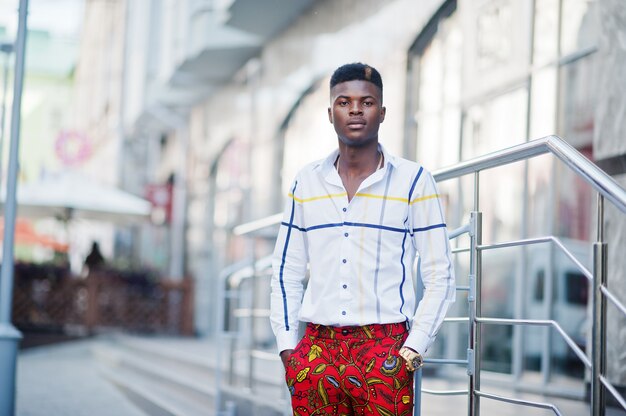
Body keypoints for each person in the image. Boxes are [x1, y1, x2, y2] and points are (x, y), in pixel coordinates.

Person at [270, 62, 456, 415]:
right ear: (330, 113)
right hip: (316, 352)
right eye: (344, 102)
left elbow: (440, 274)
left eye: (366, 102)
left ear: (382, 112)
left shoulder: (414, 181)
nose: (355, 110)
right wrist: (288, 351)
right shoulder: (306, 183)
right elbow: (286, 271)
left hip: (385, 352)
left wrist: (412, 350)